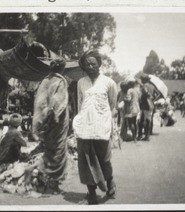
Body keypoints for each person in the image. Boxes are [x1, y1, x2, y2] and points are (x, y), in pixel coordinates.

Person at [72, 50, 117, 204]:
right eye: (87, 64)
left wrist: (108, 123)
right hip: (85, 126)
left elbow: (112, 104)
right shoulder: (81, 83)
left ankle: (110, 182)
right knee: (85, 160)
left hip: (102, 126)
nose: (90, 66)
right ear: (84, 66)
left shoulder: (109, 82)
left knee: (104, 159)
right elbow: (79, 104)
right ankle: (91, 192)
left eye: (93, 63)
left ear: (99, 63)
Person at [24, 58, 69, 189]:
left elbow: (39, 102)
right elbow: (58, 101)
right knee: (58, 152)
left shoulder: (45, 80)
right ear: (62, 68)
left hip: (45, 122)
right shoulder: (61, 81)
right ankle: (47, 177)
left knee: (50, 150)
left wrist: (41, 122)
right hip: (57, 122)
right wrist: (54, 116)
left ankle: (50, 180)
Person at [136, 74, 155, 141]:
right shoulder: (152, 86)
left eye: (142, 79)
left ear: (144, 79)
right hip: (150, 104)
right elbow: (155, 95)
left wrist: (142, 87)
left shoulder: (145, 85)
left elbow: (146, 92)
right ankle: (147, 135)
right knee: (148, 120)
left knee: (141, 120)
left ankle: (141, 135)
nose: (141, 80)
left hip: (145, 105)